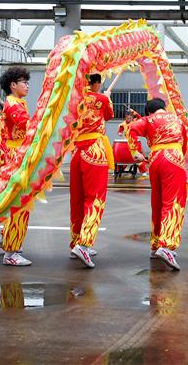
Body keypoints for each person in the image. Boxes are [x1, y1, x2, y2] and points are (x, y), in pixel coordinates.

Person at [124, 98, 188, 271]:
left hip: (154, 159)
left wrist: (135, 151)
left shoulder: (147, 120)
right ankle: (166, 246)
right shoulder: (177, 119)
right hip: (173, 158)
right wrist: (179, 160)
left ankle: (156, 244)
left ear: (149, 112)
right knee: (173, 202)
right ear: (164, 108)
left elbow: (129, 129)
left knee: (158, 202)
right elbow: (184, 143)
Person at [68, 73, 114, 268]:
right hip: (94, 150)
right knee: (95, 198)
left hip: (77, 150)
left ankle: (76, 241)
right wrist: (107, 97)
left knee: (77, 199)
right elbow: (109, 115)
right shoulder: (101, 99)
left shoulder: (74, 99)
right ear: (95, 83)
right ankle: (84, 244)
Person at [0, 67, 34, 267]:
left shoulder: (16, 102)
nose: (27, 86)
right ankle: (11, 251)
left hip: (15, 156)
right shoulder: (13, 105)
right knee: (19, 205)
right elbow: (29, 127)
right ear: (13, 85)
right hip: (15, 158)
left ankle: (8, 240)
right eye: (24, 82)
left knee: (16, 203)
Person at [119, 108, 148, 177]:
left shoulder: (135, 121)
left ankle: (143, 171)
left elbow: (139, 117)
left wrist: (133, 111)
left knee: (139, 157)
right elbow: (120, 130)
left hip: (135, 142)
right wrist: (120, 132)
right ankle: (119, 170)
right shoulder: (122, 124)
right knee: (123, 158)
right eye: (127, 117)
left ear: (132, 117)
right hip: (127, 143)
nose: (129, 118)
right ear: (125, 117)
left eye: (130, 117)